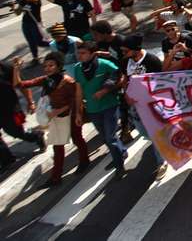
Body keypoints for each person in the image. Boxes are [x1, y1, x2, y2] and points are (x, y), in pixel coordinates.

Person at [13, 52, 90, 187]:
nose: (47, 68)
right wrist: (16, 69)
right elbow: (19, 85)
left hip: (71, 116)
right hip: (57, 118)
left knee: (77, 139)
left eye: (51, 65)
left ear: (59, 66)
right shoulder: (46, 80)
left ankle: (84, 161)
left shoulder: (67, 81)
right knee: (57, 147)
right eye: (45, 66)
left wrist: (61, 111)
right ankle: (55, 178)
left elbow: (77, 100)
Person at [73, 41, 127, 180]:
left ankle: (119, 166)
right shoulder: (78, 69)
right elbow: (79, 92)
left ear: (92, 54)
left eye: (83, 53)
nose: (80, 56)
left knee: (111, 137)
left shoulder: (105, 64)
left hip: (109, 106)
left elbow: (119, 76)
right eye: (78, 53)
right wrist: (78, 113)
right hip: (92, 110)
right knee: (106, 138)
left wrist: (105, 90)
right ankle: (121, 152)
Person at [119, 35, 167, 179]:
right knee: (142, 131)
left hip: (152, 104)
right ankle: (160, 140)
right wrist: (126, 93)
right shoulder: (125, 62)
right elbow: (124, 78)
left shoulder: (152, 61)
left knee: (154, 133)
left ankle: (162, 162)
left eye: (126, 51)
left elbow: (161, 82)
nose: (123, 54)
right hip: (135, 105)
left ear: (136, 49)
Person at [1, 58, 45, 173]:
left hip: (9, 109)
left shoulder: (6, 68)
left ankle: (36, 136)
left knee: (15, 131)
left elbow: (21, 85)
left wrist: (30, 102)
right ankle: (7, 159)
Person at [15, 0, 49, 64]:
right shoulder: (24, 1)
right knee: (31, 42)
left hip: (35, 24)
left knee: (39, 42)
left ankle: (56, 45)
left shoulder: (37, 0)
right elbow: (18, 12)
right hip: (25, 24)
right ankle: (35, 58)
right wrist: (13, 6)